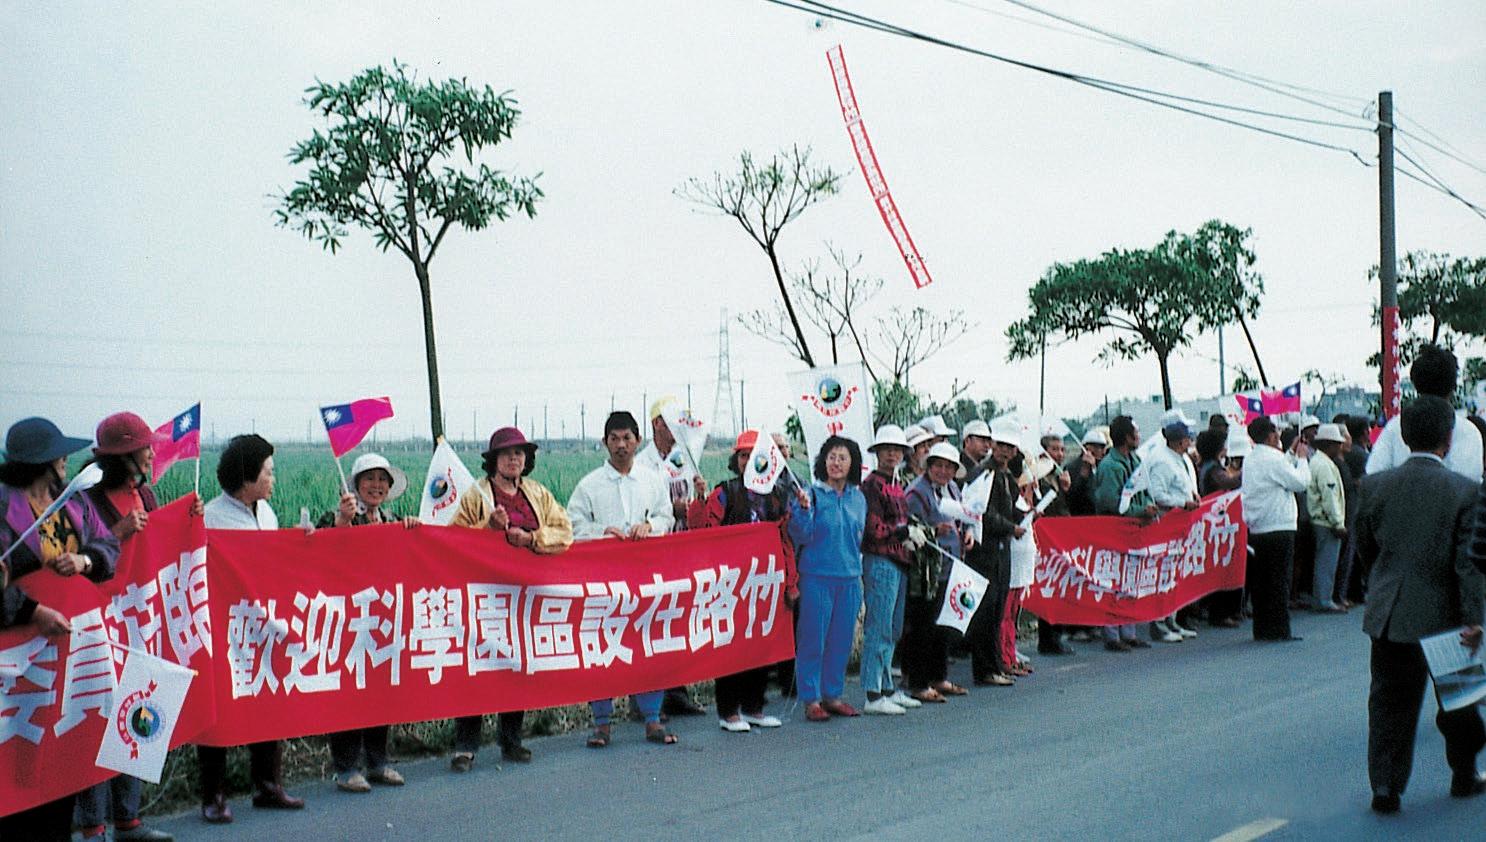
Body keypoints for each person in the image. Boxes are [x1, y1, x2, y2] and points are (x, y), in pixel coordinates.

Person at [1356, 396, 1486, 814]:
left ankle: (1385, 785)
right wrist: (1475, 618)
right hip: (1447, 615)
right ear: (1449, 438)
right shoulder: (1465, 491)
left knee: (1388, 703)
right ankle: (1464, 774)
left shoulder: (1374, 487)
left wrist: (1383, 583)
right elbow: (1468, 564)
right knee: (1459, 700)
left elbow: (1365, 548)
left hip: (1390, 610)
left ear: (1404, 435)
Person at [0, 418, 118, 842]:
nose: (67, 460)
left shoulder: (72, 502)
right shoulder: (3, 507)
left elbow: (108, 546)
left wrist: (85, 561)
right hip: (17, 664)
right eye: (58, 454)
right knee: (18, 760)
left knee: (59, 762)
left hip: (65, 656)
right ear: (39, 461)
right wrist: (32, 611)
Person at [79, 413, 193, 841]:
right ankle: (93, 825)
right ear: (122, 456)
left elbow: (162, 546)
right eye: (144, 448)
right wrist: (118, 532)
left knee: (137, 712)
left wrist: (187, 520)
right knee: (97, 722)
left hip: (140, 622)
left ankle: (128, 819)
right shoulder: (87, 502)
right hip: (99, 625)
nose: (150, 453)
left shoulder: (145, 493)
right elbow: (76, 558)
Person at [448, 426, 573, 767]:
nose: (514, 459)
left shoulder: (537, 493)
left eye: (519, 453)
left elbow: (564, 532)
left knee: (517, 665)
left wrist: (532, 539)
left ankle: (511, 740)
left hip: (523, 594)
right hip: (484, 594)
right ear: (494, 460)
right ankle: (466, 745)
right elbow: (454, 541)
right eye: (506, 454)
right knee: (476, 668)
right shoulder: (476, 495)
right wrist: (488, 530)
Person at [198, 434, 304, 822]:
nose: (273, 479)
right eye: (268, 472)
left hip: (262, 624)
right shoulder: (210, 518)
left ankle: (267, 785)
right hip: (225, 628)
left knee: (268, 700)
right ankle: (213, 794)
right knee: (219, 709)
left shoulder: (267, 514)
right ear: (247, 476)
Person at [567, 411, 678, 746]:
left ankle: (652, 719)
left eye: (627, 438)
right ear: (605, 442)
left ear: (637, 440)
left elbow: (666, 516)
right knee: (602, 647)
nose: (620, 445)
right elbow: (573, 524)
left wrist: (650, 526)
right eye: (614, 439)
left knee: (647, 644)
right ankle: (602, 723)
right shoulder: (589, 485)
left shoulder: (652, 480)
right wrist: (602, 532)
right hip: (603, 581)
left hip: (644, 577)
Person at [310, 453, 419, 791]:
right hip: (348, 618)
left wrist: (413, 530)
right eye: (369, 479)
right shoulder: (336, 517)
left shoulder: (394, 520)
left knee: (381, 690)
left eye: (382, 479)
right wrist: (343, 522)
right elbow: (318, 548)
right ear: (355, 485)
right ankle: (345, 767)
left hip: (383, 617)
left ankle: (378, 762)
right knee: (347, 692)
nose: (376, 485)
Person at [687, 430, 797, 731]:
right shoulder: (725, 493)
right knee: (731, 648)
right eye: (743, 455)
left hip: (765, 582)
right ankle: (728, 711)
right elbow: (700, 529)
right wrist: (699, 499)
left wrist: (791, 582)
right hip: (732, 583)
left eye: (754, 455)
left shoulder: (777, 495)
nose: (748, 461)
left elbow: (786, 540)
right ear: (735, 460)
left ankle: (753, 707)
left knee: (762, 646)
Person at [638, 397, 709, 718]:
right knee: (650, 622)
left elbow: (695, 499)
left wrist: (699, 496)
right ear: (657, 423)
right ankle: (647, 701)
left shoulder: (686, 456)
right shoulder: (642, 463)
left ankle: (677, 693)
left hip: (682, 548)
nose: (679, 428)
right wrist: (672, 509)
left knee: (679, 619)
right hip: (653, 550)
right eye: (672, 422)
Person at [788, 435, 867, 722]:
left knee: (841, 640)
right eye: (831, 457)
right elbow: (801, 535)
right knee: (813, 639)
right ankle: (811, 698)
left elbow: (860, 537)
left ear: (852, 464)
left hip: (850, 578)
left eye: (842, 458)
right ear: (823, 461)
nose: (836, 463)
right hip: (817, 577)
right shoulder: (811, 495)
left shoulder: (858, 498)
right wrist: (803, 511)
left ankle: (832, 695)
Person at [902, 442, 971, 703]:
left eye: (948, 467)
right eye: (938, 466)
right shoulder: (916, 493)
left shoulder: (952, 489)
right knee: (923, 626)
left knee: (944, 625)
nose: (943, 471)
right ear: (928, 467)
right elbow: (908, 530)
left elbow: (964, 516)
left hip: (949, 566)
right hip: (925, 570)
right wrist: (933, 531)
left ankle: (939, 676)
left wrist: (968, 533)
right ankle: (919, 683)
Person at [858, 425, 919, 715]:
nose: (892, 454)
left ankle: (886, 688)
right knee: (879, 626)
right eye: (887, 449)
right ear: (878, 452)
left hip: (899, 559)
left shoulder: (896, 483)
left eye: (897, 450)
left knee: (893, 628)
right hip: (880, 559)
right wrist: (903, 532)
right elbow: (873, 529)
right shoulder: (872, 484)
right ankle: (872, 693)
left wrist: (911, 532)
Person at [1240, 417, 1311, 642]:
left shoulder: (1251, 458)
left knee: (1262, 581)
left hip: (1259, 526)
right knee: (1279, 580)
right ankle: (1280, 629)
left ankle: (1262, 628)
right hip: (1279, 525)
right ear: (1271, 436)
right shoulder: (1273, 458)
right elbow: (1300, 482)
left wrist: (1290, 453)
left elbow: (1280, 472)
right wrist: (1302, 459)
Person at [1367, 344, 1483, 480]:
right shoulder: (1469, 432)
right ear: (1453, 387)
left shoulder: (1394, 427)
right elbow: (1470, 482)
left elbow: (1373, 474)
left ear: (1415, 383)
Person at [965, 419, 1023, 685]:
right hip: (984, 550)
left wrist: (1025, 516)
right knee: (985, 612)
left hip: (1002, 551)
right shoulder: (982, 473)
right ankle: (985, 669)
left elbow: (1011, 510)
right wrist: (1011, 527)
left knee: (998, 610)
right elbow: (982, 514)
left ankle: (997, 664)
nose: (1004, 451)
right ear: (993, 445)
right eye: (1001, 445)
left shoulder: (1007, 476)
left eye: (1010, 447)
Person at [1093, 416, 1155, 651]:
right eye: (1136, 433)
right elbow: (1110, 503)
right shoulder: (1110, 466)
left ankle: (1129, 631)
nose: (1138, 437)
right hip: (1115, 530)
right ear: (1127, 437)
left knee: (1130, 581)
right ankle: (1112, 634)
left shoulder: (1135, 460)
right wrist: (1140, 511)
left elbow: (1144, 490)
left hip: (1134, 529)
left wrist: (1147, 508)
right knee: (1112, 582)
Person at [1144, 417, 1201, 643]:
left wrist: (1192, 495)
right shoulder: (1161, 461)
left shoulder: (1179, 458)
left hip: (1180, 525)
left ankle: (1171, 619)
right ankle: (1159, 624)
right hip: (1167, 523)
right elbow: (1158, 494)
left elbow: (1182, 486)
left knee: (1174, 576)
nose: (1190, 442)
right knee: (1162, 575)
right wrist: (1183, 502)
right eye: (1188, 438)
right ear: (1179, 441)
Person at [1201, 430, 1249, 628]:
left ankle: (1228, 610)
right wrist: (1247, 471)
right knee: (1221, 568)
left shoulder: (1211, 466)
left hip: (1219, 523)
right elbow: (1229, 482)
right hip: (1217, 524)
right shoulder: (1212, 469)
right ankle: (1220, 613)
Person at [1035, 434, 1075, 656]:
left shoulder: (1059, 475)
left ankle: (1056, 635)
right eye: (1054, 449)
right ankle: (1048, 639)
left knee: (1061, 587)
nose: (1059, 454)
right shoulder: (1038, 477)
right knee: (1049, 588)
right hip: (1046, 539)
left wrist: (1066, 489)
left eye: (1062, 449)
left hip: (1061, 539)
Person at [1306, 424, 1348, 614]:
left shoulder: (1319, 461)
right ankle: (1324, 600)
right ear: (1329, 444)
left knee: (1323, 561)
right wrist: (1338, 523)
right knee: (1326, 562)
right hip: (1326, 521)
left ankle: (1321, 598)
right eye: (1337, 443)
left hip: (1320, 519)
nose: (1340, 447)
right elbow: (1329, 496)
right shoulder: (1324, 465)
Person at [1064, 428, 1107, 517]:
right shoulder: (1072, 468)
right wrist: (1084, 474)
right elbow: (1073, 498)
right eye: (1099, 447)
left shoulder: (1104, 466)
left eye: (1103, 447)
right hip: (1082, 516)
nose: (1103, 452)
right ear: (1087, 448)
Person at [958, 419, 994, 485]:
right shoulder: (957, 466)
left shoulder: (988, 468)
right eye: (982, 440)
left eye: (988, 441)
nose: (987, 445)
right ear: (967, 441)